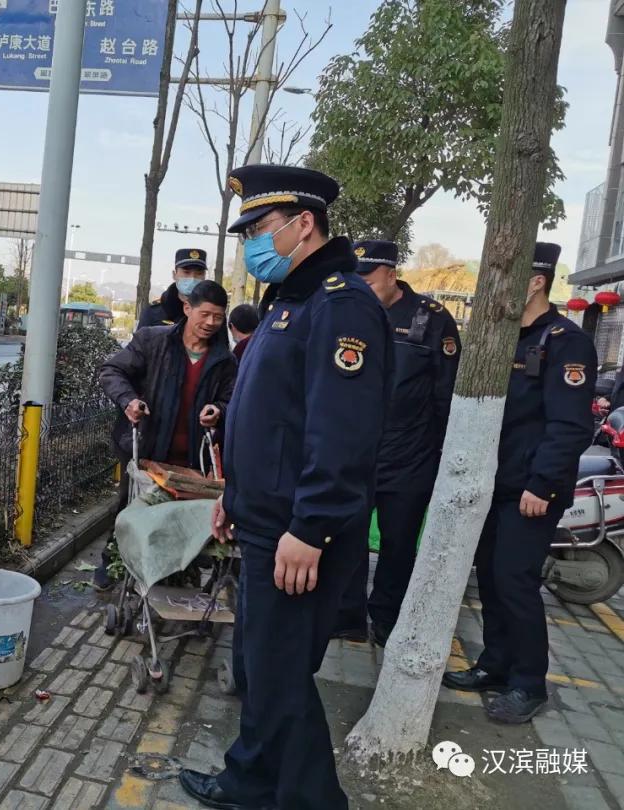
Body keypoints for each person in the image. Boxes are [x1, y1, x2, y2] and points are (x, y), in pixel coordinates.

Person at [178, 165, 392, 810]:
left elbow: (342, 433)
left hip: (301, 531)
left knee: (279, 673)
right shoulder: (291, 304)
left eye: (260, 229)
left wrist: (312, 527)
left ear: (304, 225)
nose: (251, 245)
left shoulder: (340, 305)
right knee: (263, 668)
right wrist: (232, 495)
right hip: (266, 518)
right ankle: (251, 778)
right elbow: (271, 419)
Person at [443, 242, 596, 724]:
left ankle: (529, 683)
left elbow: (569, 425)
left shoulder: (565, 341)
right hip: (495, 483)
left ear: (535, 281)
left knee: (515, 582)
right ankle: (494, 663)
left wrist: (543, 484)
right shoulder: (507, 337)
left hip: (531, 490)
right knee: (490, 579)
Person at [332, 240, 461, 646]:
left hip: (410, 457)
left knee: (399, 544)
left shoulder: (432, 319)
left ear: (391, 274)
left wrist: (440, 454)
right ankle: (347, 615)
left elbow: (446, 395)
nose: (362, 287)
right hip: (356, 452)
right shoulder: (347, 313)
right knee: (346, 534)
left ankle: (386, 616)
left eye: (368, 281)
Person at [94, 280, 237, 590]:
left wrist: (219, 410)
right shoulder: (153, 341)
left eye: (218, 316)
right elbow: (111, 371)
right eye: (205, 314)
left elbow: (232, 398)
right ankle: (113, 564)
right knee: (131, 509)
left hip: (191, 460)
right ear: (187, 309)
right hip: (148, 449)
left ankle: (171, 570)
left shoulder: (226, 360)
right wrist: (129, 400)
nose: (211, 323)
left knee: (179, 516)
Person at [137, 248, 209, 329]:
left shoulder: (213, 313)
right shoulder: (153, 312)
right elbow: (140, 341)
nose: (192, 278)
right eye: (186, 272)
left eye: (199, 273)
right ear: (174, 275)